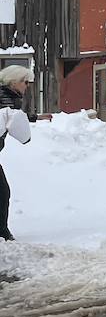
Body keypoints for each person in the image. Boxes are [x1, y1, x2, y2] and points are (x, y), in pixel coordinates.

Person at [0, 65, 35, 241]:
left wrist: (35, 117)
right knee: (2, 192)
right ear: (14, 81)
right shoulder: (6, 97)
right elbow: (11, 119)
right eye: (25, 82)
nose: (27, 86)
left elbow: (12, 117)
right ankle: (2, 232)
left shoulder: (8, 96)